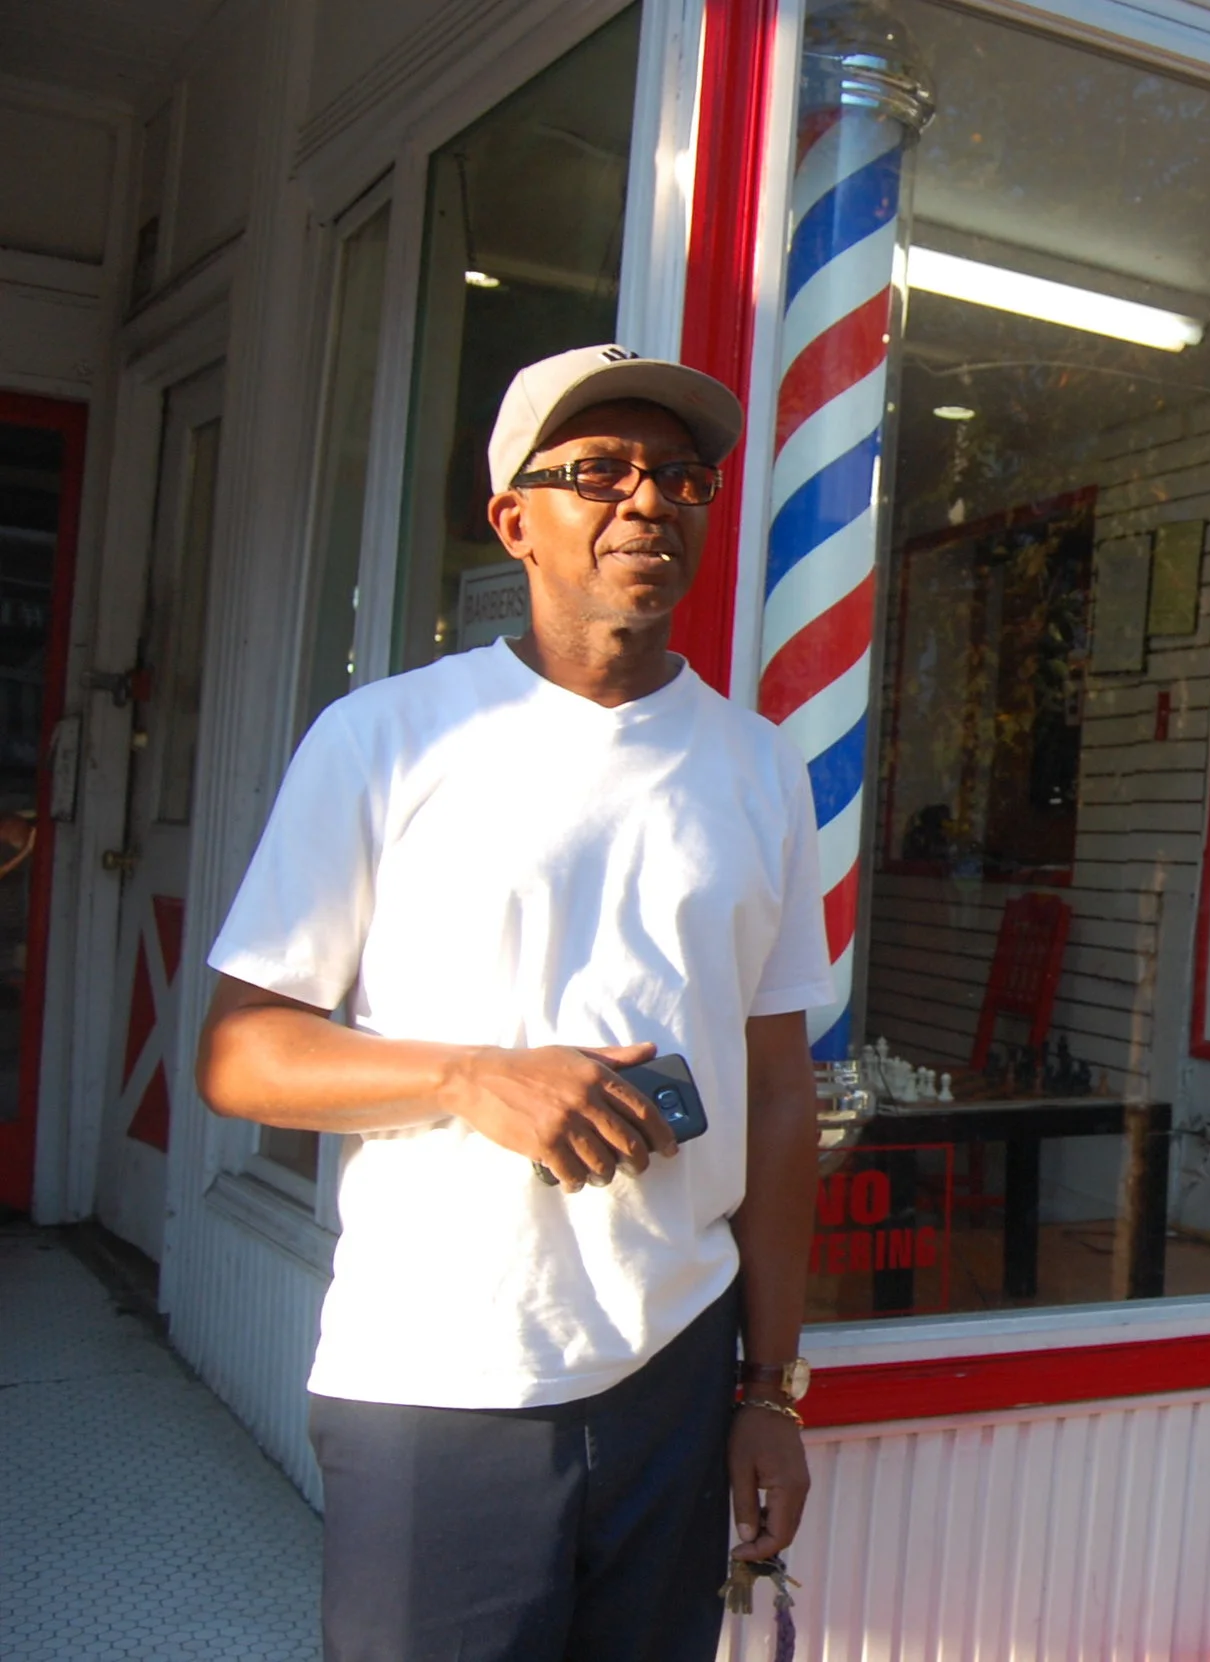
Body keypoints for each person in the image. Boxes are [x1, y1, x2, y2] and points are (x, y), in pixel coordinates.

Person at [195, 345, 836, 1662]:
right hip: (443, 1369)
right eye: (597, 470)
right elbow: (242, 1054)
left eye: (681, 476)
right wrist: (472, 1077)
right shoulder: (387, 739)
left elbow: (781, 1094)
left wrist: (770, 1389)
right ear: (513, 522)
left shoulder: (762, 768)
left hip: (675, 1369)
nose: (647, 499)